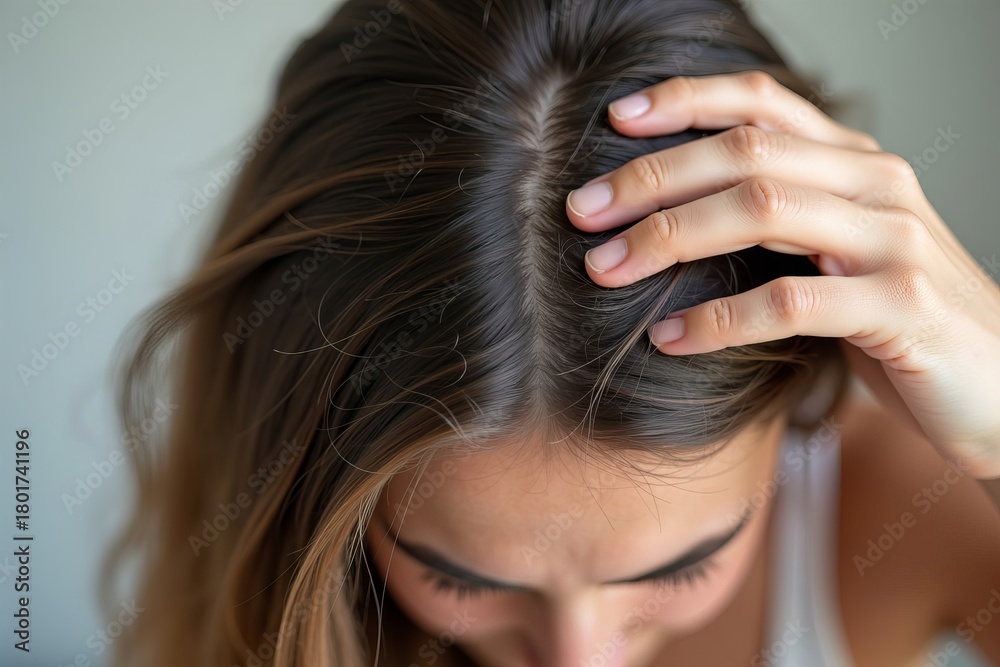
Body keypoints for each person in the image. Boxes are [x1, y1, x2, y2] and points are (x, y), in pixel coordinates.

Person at [103, 0, 1000, 665]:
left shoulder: (905, 510)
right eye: (466, 581)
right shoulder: (278, 606)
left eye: (684, 564)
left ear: (802, 392)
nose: (581, 658)